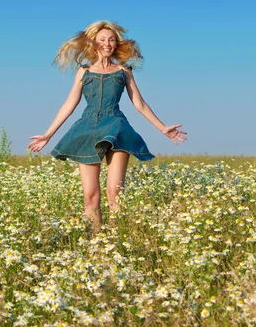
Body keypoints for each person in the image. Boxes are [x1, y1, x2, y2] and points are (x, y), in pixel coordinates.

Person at [28, 21, 187, 229]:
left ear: (116, 44)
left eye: (111, 39)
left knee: (115, 191)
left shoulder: (124, 71)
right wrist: (48, 134)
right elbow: (69, 104)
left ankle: (117, 239)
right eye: (102, 39)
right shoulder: (83, 72)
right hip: (87, 129)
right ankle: (97, 242)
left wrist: (163, 128)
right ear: (93, 43)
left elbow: (139, 103)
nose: (107, 43)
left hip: (117, 129)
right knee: (90, 194)